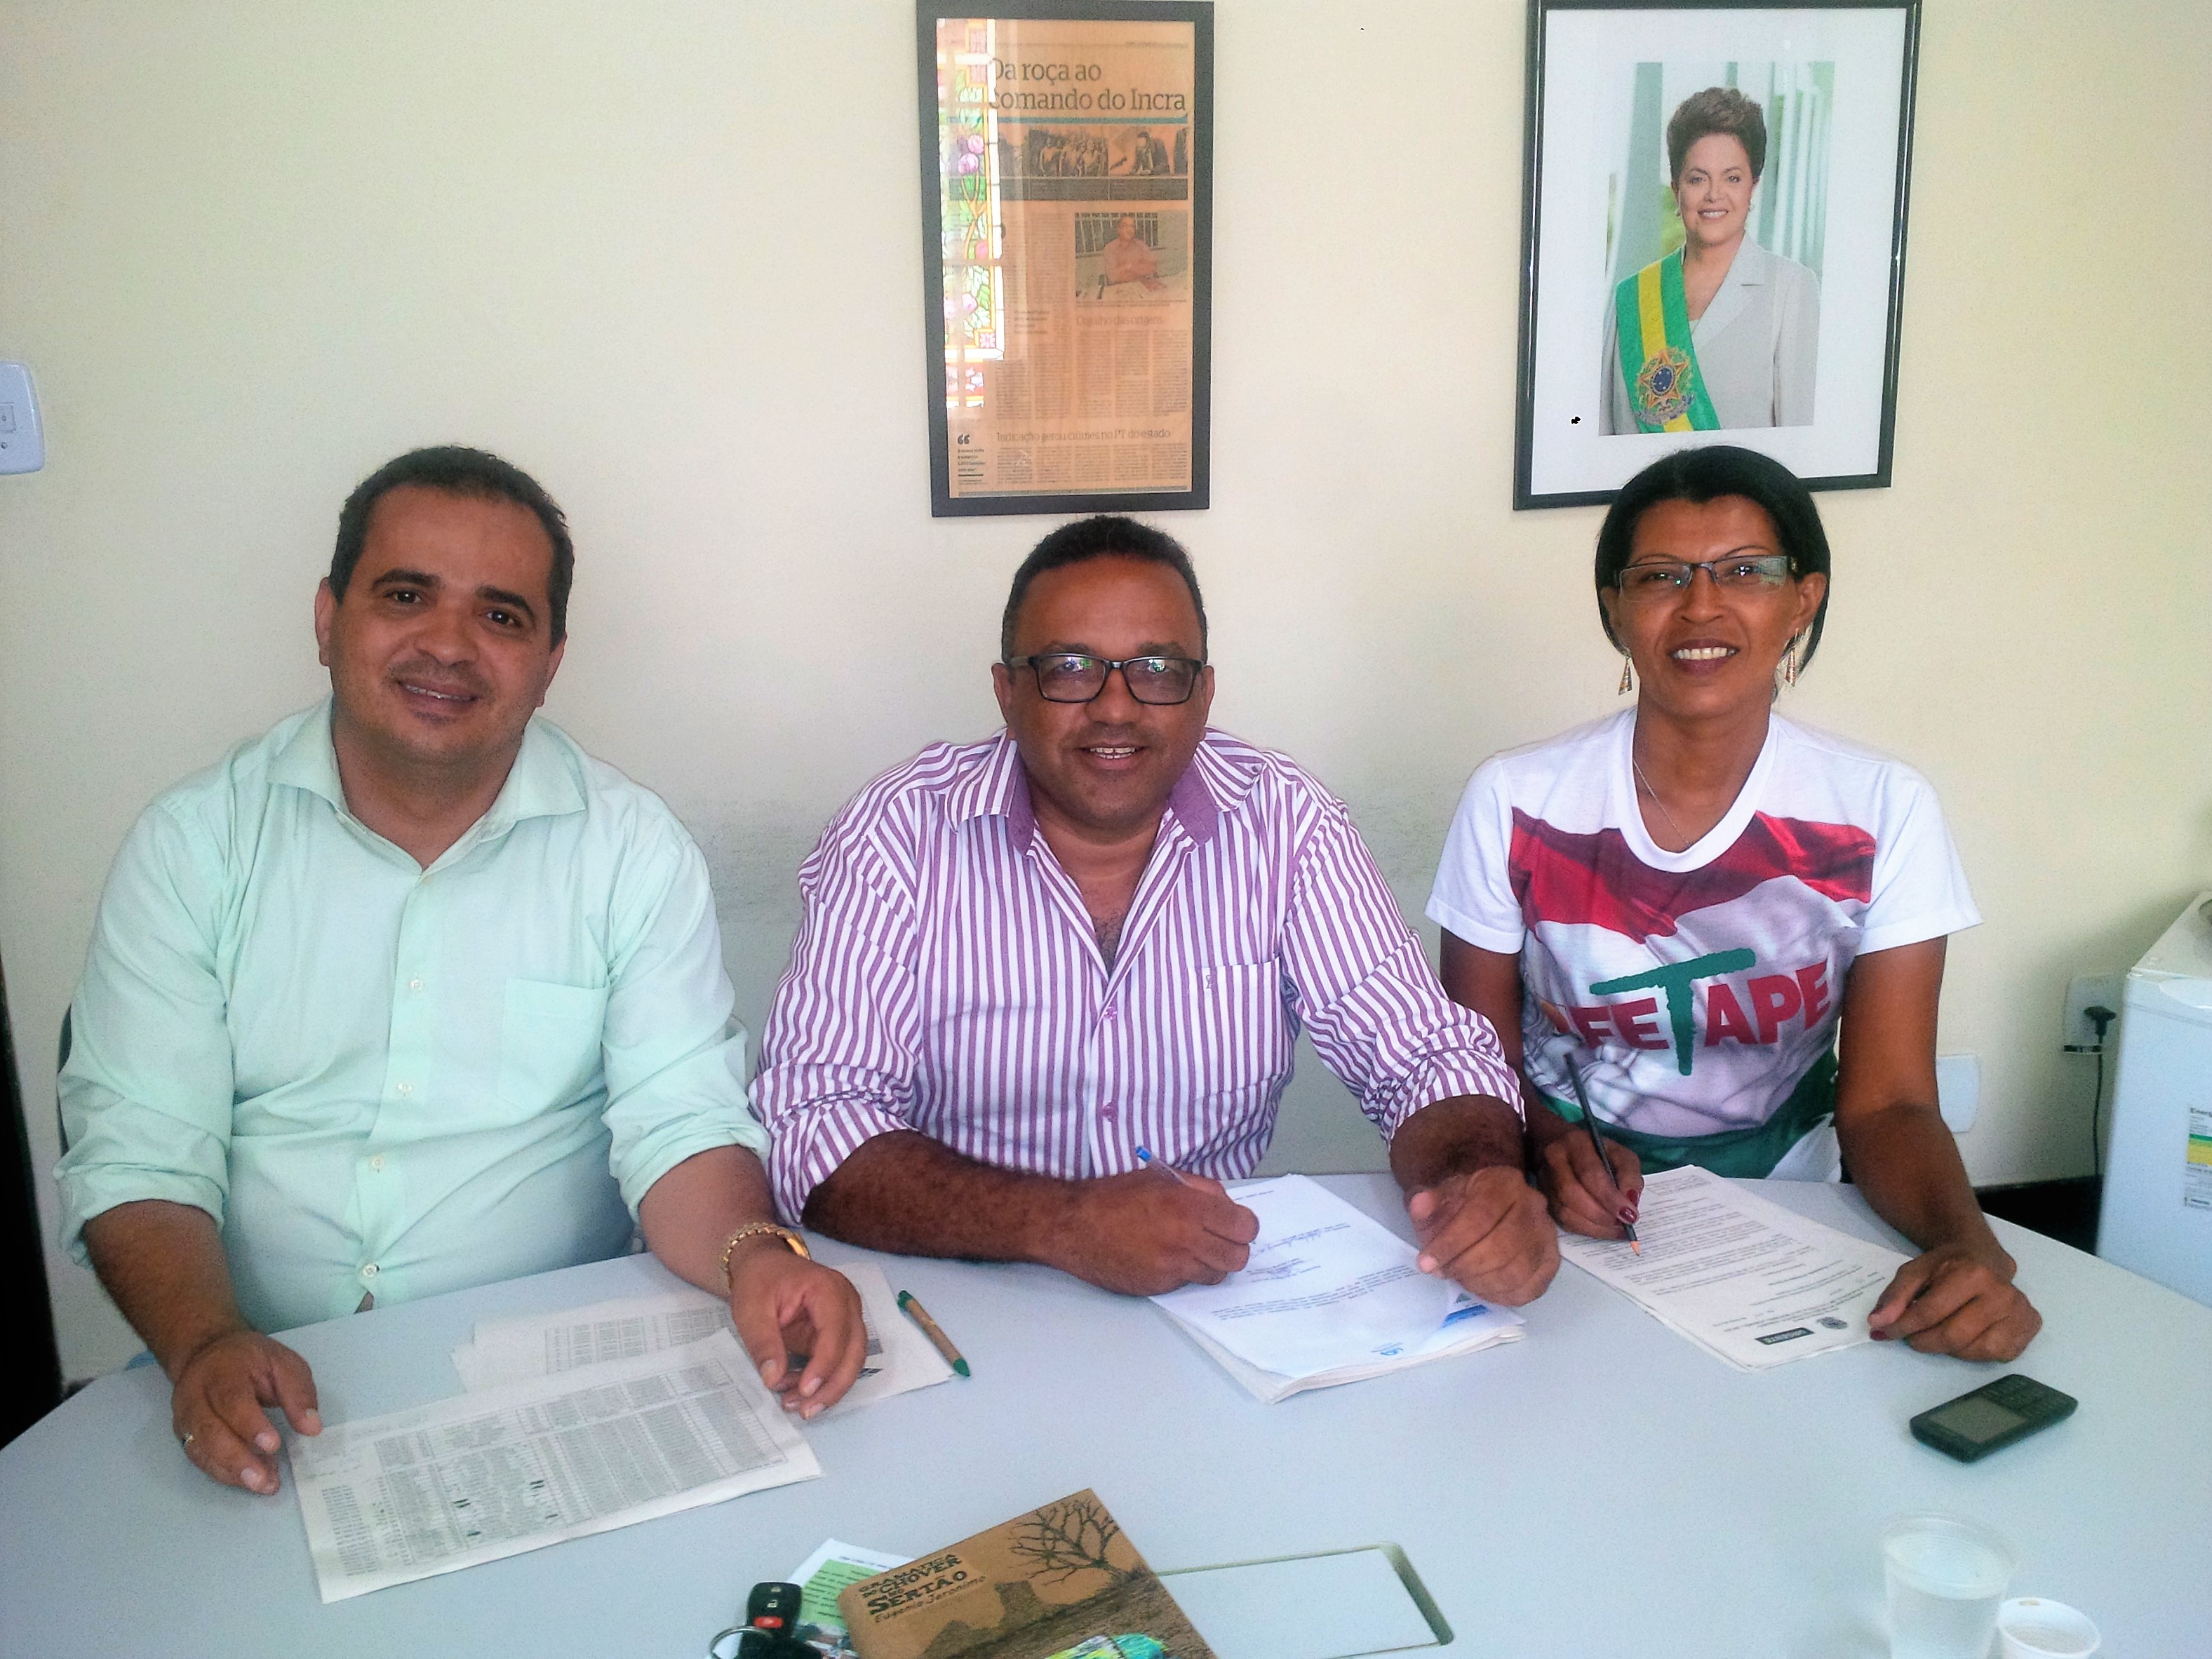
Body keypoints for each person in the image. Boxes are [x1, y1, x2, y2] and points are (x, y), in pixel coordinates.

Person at [56, 445, 866, 1497]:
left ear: (550, 659)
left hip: (545, 1383)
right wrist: (206, 1338)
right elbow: (144, 1151)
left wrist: (755, 1254)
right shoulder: (195, 846)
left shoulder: (630, 851)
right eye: (406, 596)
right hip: (243, 1368)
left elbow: (678, 1124)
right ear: (327, 618)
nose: (448, 644)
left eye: (501, 615)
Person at [751, 516, 1560, 1309]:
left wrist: (1478, 1180)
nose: (1115, 706)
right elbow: (814, 1122)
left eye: (1157, 669)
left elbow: (1423, 1056)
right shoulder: (897, 834)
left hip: (1211, 1302)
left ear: (1203, 692)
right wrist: (1061, 1223)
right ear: (1007, 691)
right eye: (1070, 667)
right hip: (962, 1293)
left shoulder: (1284, 821)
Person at [1428, 445, 2041, 1361]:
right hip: (1568, 1223)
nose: (1702, 606)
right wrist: (1554, 1148)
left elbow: (1888, 1102)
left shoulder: (1881, 810)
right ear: (1614, 607)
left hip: (1794, 1216)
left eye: (1746, 571)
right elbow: (1474, 1065)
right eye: (1661, 576)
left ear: (1803, 599)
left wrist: (1970, 1245)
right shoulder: (1516, 802)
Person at [1599, 86, 1820, 434]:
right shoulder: (1632, 298)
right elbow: (1603, 431)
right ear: (1677, 189)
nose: (1714, 194)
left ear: (1752, 187)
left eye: (1732, 178)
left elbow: (1800, 439)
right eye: (1698, 179)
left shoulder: (1791, 289)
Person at [1099, 215, 1165, 291]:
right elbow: (1113, 277)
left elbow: (1152, 268)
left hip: (1144, 286)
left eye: (1132, 226)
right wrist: (1140, 269)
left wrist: (1128, 267)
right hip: (1121, 289)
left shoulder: (1141, 245)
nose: (1129, 230)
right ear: (1119, 230)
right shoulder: (1110, 248)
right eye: (1125, 226)